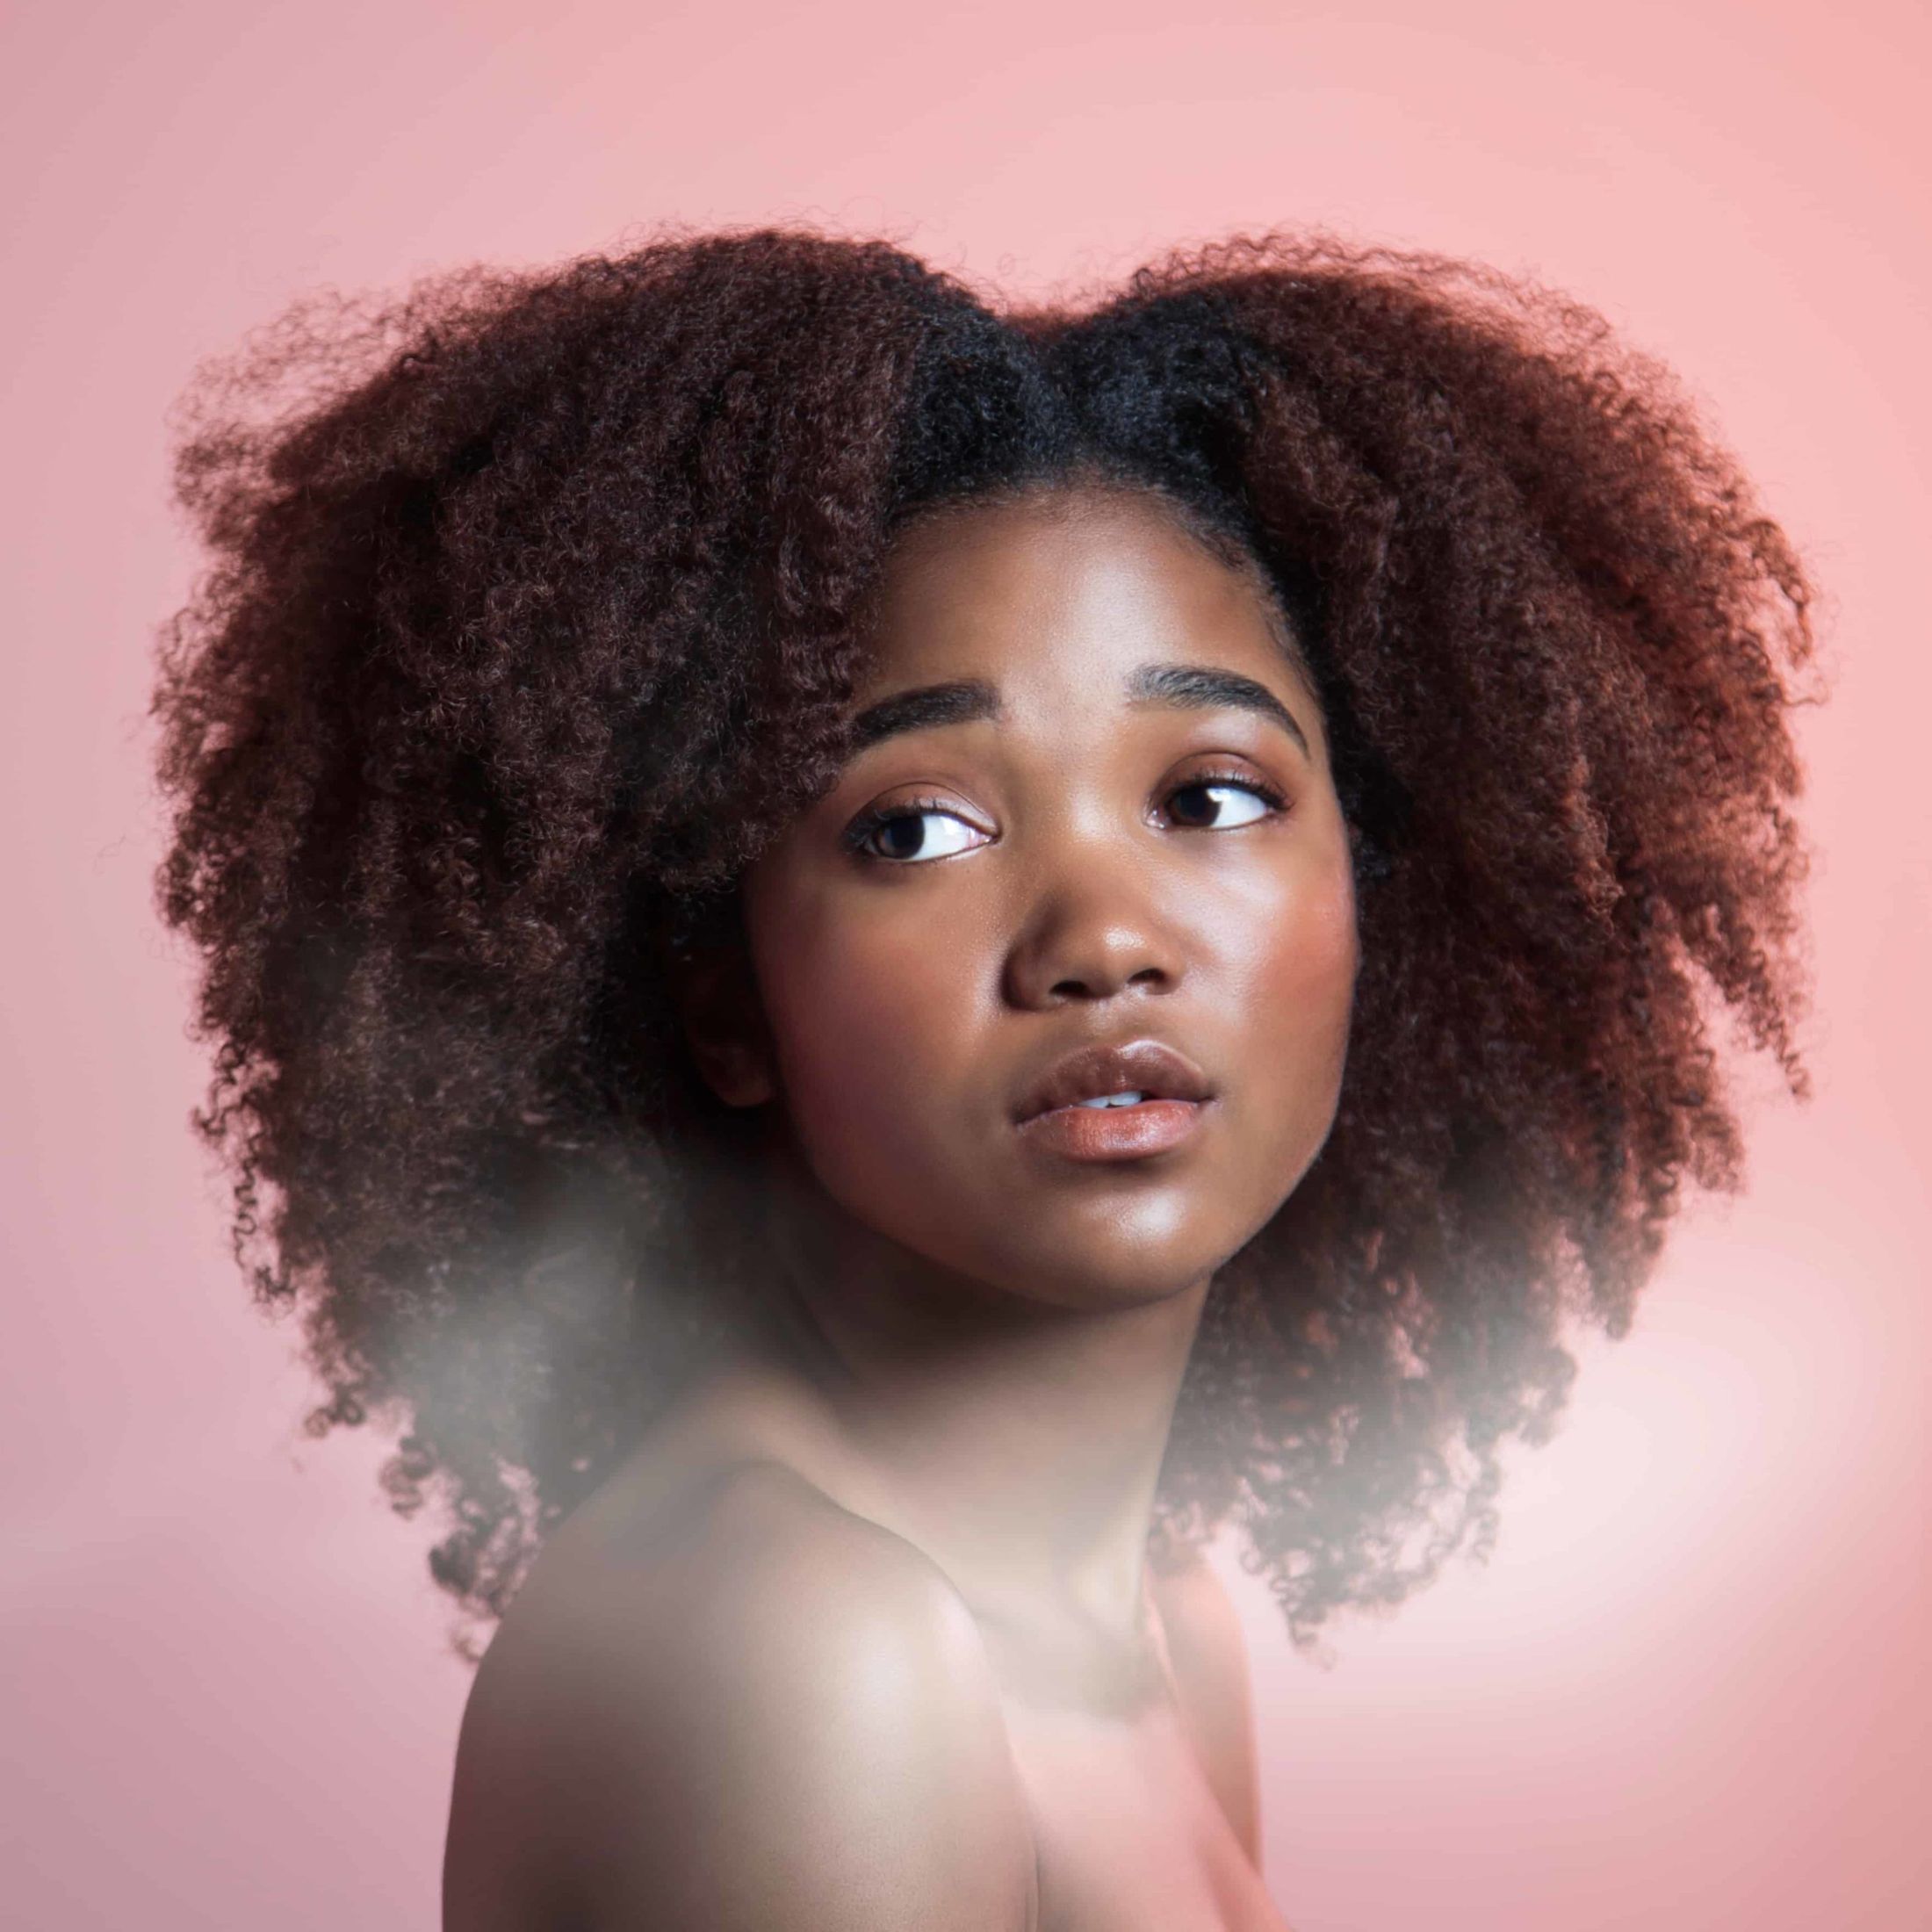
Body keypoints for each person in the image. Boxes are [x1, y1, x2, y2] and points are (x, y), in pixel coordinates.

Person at [151, 229, 1813, 1930]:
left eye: (1212, 796)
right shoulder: (800, 1645)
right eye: (916, 825)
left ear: (1377, 892)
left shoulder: (1149, 1610)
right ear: (721, 997)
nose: (1100, 936)